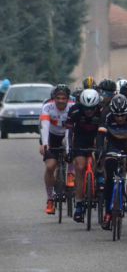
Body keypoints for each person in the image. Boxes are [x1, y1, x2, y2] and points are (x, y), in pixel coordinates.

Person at [96, 94, 127, 230]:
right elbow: (101, 134)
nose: (120, 118)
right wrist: (100, 149)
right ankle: (108, 213)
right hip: (113, 143)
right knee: (110, 178)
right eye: (117, 116)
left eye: (122, 115)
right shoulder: (106, 114)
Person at [66, 88, 103, 223]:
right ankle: (79, 204)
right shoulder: (74, 110)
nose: (89, 111)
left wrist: (100, 148)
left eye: (92, 108)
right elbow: (68, 132)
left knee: (97, 160)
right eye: (86, 108)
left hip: (96, 138)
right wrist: (69, 149)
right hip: (80, 140)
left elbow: (105, 131)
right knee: (80, 167)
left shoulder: (102, 111)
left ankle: (99, 176)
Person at [39, 85, 73, 215]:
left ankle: (70, 173)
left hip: (68, 134)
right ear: (54, 98)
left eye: (63, 98)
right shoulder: (47, 107)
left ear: (68, 99)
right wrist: (45, 144)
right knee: (50, 167)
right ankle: (50, 199)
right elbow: (45, 126)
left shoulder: (72, 107)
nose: (60, 101)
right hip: (51, 136)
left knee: (71, 150)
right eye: (58, 98)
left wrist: (69, 149)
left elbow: (71, 130)